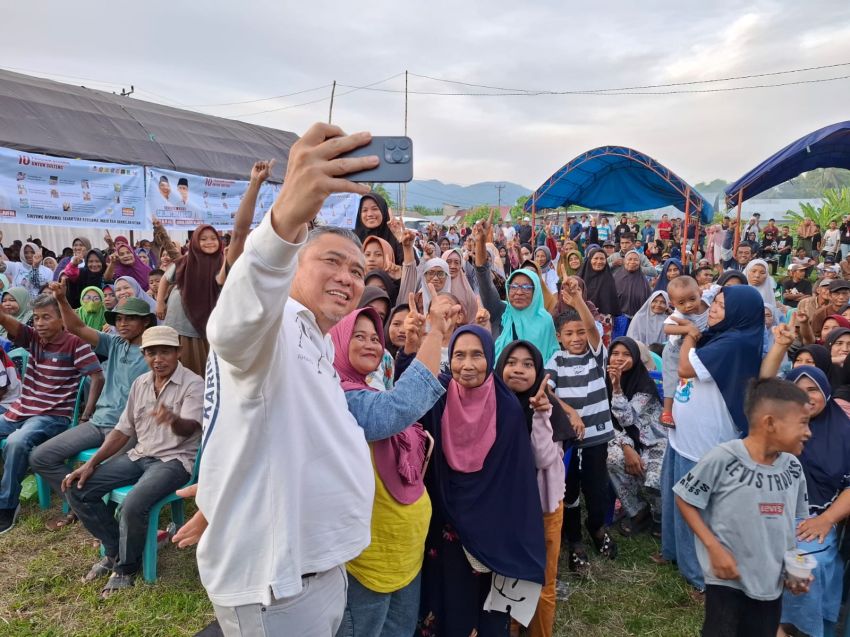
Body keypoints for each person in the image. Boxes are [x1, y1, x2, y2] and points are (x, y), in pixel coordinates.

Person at [176, 125, 448, 635]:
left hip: (322, 570)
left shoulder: (318, 342)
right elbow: (235, 325)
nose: (348, 277)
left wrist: (227, 491)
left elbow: (277, 427)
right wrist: (284, 219)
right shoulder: (272, 328)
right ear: (290, 267)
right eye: (330, 261)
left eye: (355, 268)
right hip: (277, 586)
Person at [407, 325, 546, 636]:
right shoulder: (439, 397)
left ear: (490, 358)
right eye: (458, 355)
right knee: (448, 596)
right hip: (444, 519)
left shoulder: (506, 406)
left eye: (476, 355)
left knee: (484, 607)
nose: (467, 364)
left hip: (490, 527)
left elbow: (514, 477)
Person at [330, 299, 455, 637]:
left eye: (375, 337)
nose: (371, 343)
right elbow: (397, 409)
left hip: (403, 551)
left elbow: (394, 401)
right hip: (368, 559)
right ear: (337, 342)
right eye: (359, 336)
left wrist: (417, 346)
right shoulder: (338, 397)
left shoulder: (368, 387)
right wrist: (436, 333)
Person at [62, 326, 203, 597]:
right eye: (151, 353)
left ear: (178, 352)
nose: (158, 359)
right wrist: (92, 464)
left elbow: (190, 428)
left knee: (133, 505)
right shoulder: (141, 383)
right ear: (144, 355)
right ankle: (116, 552)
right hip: (140, 454)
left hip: (174, 461)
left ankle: (126, 569)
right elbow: (122, 430)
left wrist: (172, 419)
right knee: (78, 488)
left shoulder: (193, 384)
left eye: (165, 352)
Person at [674, 377, 812, 637]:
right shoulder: (723, 458)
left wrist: (794, 568)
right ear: (770, 423)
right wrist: (714, 548)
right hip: (728, 581)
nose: (808, 432)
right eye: (803, 423)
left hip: (770, 583)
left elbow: (786, 526)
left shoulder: (793, 468)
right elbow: (685, 498)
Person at [659, 285, 765, 592]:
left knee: (692, 505)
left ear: (739, 312)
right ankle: (672, 553)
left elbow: (685, 367)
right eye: (714, 302)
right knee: (673, 495)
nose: (712, 308)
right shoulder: (726, 335)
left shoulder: (735, 341)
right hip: (684, 433)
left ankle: (698, 577)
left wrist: (690, 334)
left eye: (719, 305)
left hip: (704, 439)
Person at [30, 287, 154, 531]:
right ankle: (80, 506)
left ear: (146, 321)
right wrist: (63, 299)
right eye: (119, 318)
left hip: (128, 430)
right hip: (98, 421)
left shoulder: (155, 353)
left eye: (129, 318)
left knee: (99, 478)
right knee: (40, 457)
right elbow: (77, 328)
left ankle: (100, 514)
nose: (123, 323)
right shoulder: (115, 343)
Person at [0, 293, 103, 533]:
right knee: (15, 437)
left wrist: (86, 416)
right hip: (21, 410)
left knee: (16, 442)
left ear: (62, 319)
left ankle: (6, 506)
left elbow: (97, 375)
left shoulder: (75, 343)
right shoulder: (34, 339)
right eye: (36, 318)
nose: (40, 323)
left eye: (47, 317)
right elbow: (5, 318)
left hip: (53, 415)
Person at [496, 340, 573, 637]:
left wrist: (541, 415)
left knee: (542, 582)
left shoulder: (547, 407)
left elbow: (542, 458)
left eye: (528, 364)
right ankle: (513, 626)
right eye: (512, 362)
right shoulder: (493, 404)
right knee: (509, 574)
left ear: (539, 372)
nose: (518, 369)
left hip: (543, 509)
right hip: (507, 509)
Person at [546, 278, 617, 573]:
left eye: (579, 333)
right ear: (560, 338)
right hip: (570, 440)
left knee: (596, 487)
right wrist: (570, 412)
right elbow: (546, 390)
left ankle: (597, 526)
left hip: (598, 438)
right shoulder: (557, 360)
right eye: (568, 334)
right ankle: (574, 540)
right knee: (571, 491)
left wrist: (576, 302)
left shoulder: (596, 356)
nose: (576, 338)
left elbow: (591, 328)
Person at [473, 219, 559, 362]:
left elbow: (553, 356)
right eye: (513, 287)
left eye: (526, 287)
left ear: (535, 291)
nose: (519, 292)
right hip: (500, 382)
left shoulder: (545, 320)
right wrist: (481, 242)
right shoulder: (501, 312)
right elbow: (484, 279)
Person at [606, 337, 667, 535]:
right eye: (615, 354)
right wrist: (626, 446)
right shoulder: (602, 381)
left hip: (654, 441)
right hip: (627, 439)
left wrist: (617, 389)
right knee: (612, 459)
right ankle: (638, 512)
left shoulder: (644, 384)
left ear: (635, 358)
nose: (619, 358)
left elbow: (626, 418)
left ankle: (660, 517)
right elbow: (605, 420)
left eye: (626, 354)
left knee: (653, 477)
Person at [156, 224, 226, 376]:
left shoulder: (222, 262)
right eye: (203, 239)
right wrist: (160, 302)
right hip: (176, 321)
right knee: (170, 360)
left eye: (214, 238)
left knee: (194, 366)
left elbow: (221, 281)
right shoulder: (186, 260)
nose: (209, 242)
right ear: (195, 241)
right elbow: (165, 280)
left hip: (200, 324)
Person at [659, 276, 710, 427]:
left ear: (700, 293)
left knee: (694, 381)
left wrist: (711, 285)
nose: (688, 306)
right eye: (681, 303)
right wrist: (687, 328)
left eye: (692, 299)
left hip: (696, 348)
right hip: (675, 350)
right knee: (672, 379)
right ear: (673, 304)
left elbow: (717, 288)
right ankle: (667, 412)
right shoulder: (679, 315)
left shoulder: (707, 301)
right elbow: (667, 328)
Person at [354, 192, 404, 265]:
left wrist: (402, 242)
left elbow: (410, 268)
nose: (370, 214)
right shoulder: (354, 239)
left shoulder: (394, 236)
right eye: (364, 210)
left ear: (383, 210)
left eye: (374, 209)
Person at [577, 247, 619, 319]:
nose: (599, 261)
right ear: (590, 260)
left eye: (602, 259)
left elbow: (613, 304)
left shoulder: (609, 280)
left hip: (603, 322)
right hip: (581, 318)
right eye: (596, 258)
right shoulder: (580, 279)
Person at [613, 250, 651, 319]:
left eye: (636, 260)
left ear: (639, 263)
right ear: (624, 261)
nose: (632, 262)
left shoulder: (644, 282)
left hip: (638, 320)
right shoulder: (616, 278)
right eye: (629, 259)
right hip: (618, 320)